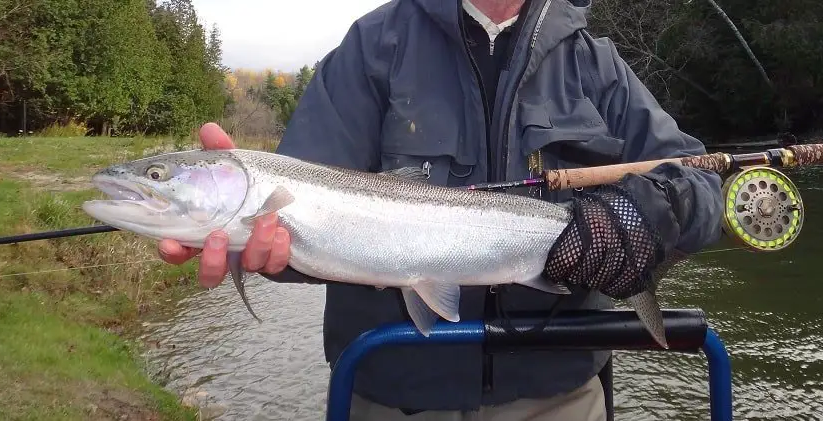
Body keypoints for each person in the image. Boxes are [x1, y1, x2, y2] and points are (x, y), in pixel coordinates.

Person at [158, 0, 724, 419]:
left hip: (560, 394)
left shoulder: (594, 65)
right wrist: (258, 248)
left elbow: (701, 186)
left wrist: (640, 218)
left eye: (160, 179)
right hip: (391, 392)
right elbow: (304, 229)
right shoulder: (372, 48)